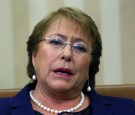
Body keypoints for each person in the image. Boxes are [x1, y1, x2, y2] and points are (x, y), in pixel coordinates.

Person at [0, 7, 135, 115]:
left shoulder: (128, 109)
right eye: (56, 41)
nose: (67, 54)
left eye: (80, 48)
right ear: (34, 55)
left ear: (90, 65)